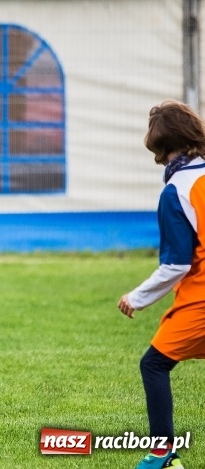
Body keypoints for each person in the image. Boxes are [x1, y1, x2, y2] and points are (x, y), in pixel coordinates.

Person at [117, 100, 205, 469]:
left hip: (201, 300)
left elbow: (176, 264)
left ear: (161, 146)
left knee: (153, 364)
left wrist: (136, 297)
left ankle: (162, 455)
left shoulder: (177, 190)